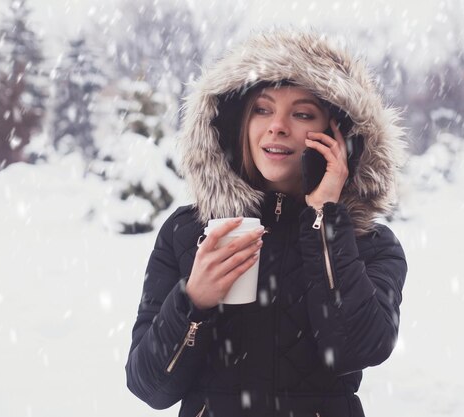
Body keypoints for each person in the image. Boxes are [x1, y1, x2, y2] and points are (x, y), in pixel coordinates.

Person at [125, 29, 408, 417]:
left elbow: (357, 349)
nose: (277, 126)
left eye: (303, 113)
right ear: (239, 123)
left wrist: (325, 222)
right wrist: (194, 301)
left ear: (337, 137)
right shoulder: (187, 231)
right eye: (262, 109)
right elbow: (150, 386)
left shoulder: (368, 243)